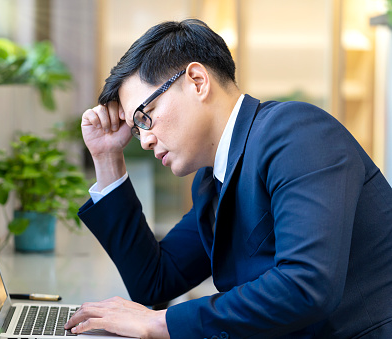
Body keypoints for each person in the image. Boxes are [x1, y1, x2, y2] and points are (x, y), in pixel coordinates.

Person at [64, 19, 392, 339]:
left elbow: (306, 284)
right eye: (136, 130)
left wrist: (162, 323)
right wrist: (107, 157)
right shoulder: (212, 179)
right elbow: (155, 280)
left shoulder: (297, 133)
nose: (146, 139)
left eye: (144, 117)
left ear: (196, 81)